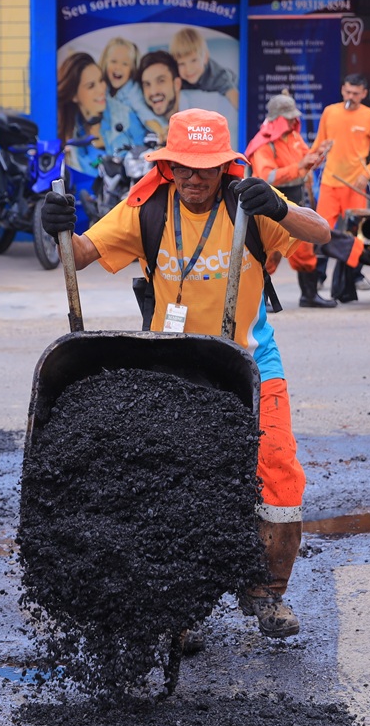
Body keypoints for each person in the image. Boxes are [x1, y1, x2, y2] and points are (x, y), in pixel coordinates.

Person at [38, 108, 331, 638]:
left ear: (225, 166)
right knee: (170, 486)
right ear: (168, 165)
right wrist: (59, 226)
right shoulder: (146, 208)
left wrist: (281, 210)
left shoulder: (250, 205)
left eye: (207, 166)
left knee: (280, 477)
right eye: (184, 166)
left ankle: (268, 594)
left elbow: (323, 230)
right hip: (171, 371)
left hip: (248, 362)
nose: (195, 177)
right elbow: (80, 255)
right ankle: (178, 605)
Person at [245, 92, 333, 308]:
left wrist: (318, 155)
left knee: (304, 251)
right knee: (268, 255)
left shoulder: (293, 138)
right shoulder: (263, 144)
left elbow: (305, 160)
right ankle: (257, 299)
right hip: (270, 206)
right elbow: (266, 177)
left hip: (295, 202)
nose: (295, 120)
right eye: (290, 117)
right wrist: (298, 167)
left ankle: (309, 295)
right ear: (277, 119)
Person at [310, 74, 370, 297]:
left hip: (356, 185)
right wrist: (309, 161)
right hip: (330, 183)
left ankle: (355, 276)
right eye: (347, 92)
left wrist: (367, 174)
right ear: (342, 90)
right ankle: (318, 276)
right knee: (321, 231)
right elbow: (319, 144)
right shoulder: (330, 112)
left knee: (357, 233)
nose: (351, 97)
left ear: (364, 93)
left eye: (356, 93)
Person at [57, 51, 149, 174]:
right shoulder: (70, 134)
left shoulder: (125, 114)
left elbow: (146, 156)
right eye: (91, 86)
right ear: (74, 95)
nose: (101, 89)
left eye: (101, 80)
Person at [137, 51, 233, 138]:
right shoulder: (145, 116)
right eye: (147, 84)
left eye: (161, 81)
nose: (153, 91)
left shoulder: (210, 106)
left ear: (177, 84)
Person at [171, 27, 238, 108]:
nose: (188, 69)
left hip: (232, 79)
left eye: (194, 60)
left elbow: (233, 96)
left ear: (205, 58)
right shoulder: (177, 76)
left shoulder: (217, 76)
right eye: (181, 64)